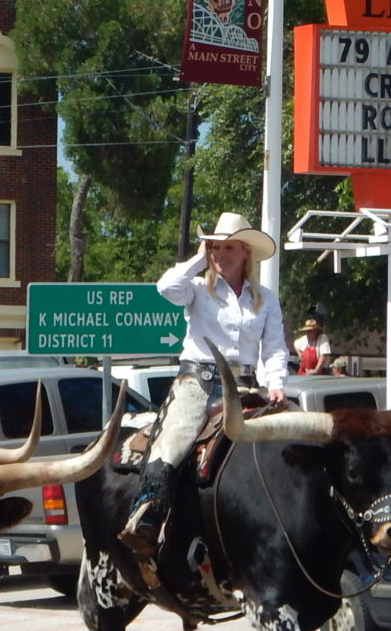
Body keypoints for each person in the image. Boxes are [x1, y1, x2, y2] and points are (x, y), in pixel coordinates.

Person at [120, 211, 288, 554]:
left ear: (246, 253)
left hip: (244, 386)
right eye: (215, 248)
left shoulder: (266, 298)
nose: (220, 254)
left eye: (229, 247)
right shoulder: (197, 288)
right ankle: (147, 515)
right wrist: (198, 258)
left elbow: (274, 348)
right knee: (173, 440)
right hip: (198, 381)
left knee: (289, 438)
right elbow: (166, 287)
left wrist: (276, 384)